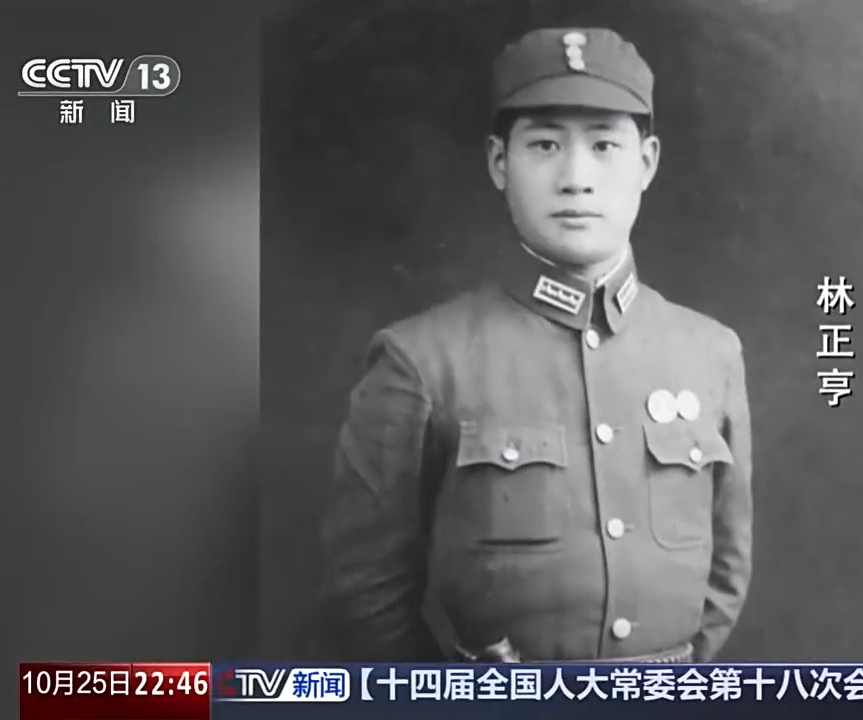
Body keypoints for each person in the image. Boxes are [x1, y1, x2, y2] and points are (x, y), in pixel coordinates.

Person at [321, 26, 753, 663]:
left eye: (604, 145)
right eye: (545, 145)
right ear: (500, 162)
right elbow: (367, 589)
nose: (576, 178)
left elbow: (727, 567)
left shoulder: (710, 353)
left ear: (647, 163)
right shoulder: (423, 361)